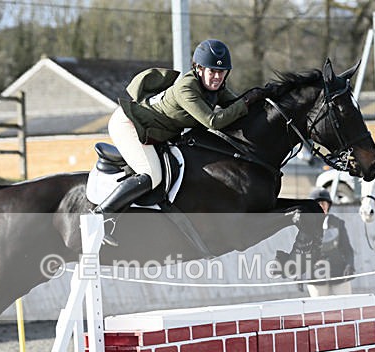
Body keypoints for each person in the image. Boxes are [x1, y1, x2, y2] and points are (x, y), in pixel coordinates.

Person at [94, 39, 267, 245]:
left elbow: (236, 107)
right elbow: (213, 121)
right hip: (128, 123)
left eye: (221, 73)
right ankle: (100, 217)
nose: (217, 77)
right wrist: (248, 100)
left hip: (154, 130)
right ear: (198, 69)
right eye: (212, 72)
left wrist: (265, 96)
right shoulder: (187, 88)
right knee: (151, 174)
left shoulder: (216, 88)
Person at [306, 188, 356, 297]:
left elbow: (347, 248)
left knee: (345, 304)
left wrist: (349, 265)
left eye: (324, 203)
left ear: (329, 205)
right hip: (316, 274)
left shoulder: (338, 223)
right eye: (318, 204)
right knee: (320, 308)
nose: (322, 206)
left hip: (338, 272)